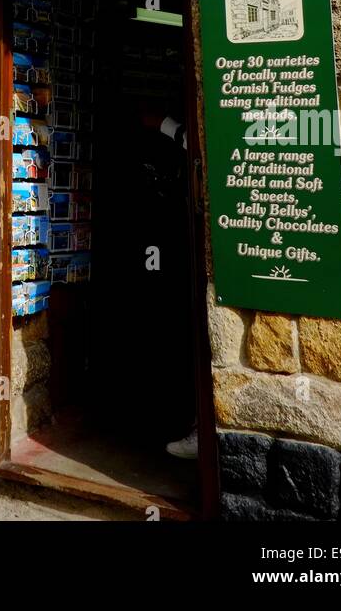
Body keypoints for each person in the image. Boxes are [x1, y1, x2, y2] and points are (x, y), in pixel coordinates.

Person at [140, 109, 199, 462]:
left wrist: (162, 123)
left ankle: (197, 428)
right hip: (164, 252)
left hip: (185, 253)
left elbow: (194, 143)